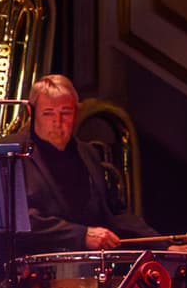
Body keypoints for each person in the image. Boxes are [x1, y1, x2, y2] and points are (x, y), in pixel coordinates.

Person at [14, 76, 173, 251]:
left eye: (65, 113)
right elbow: (15, 220)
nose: (57, 122)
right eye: (48, 113)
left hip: (88, 264)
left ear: (77, 112)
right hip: (31, 263)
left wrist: (164, 246)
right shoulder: (10, 153)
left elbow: (115, 214)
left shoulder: (87, 153)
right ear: (31, 111)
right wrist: (81, 235)